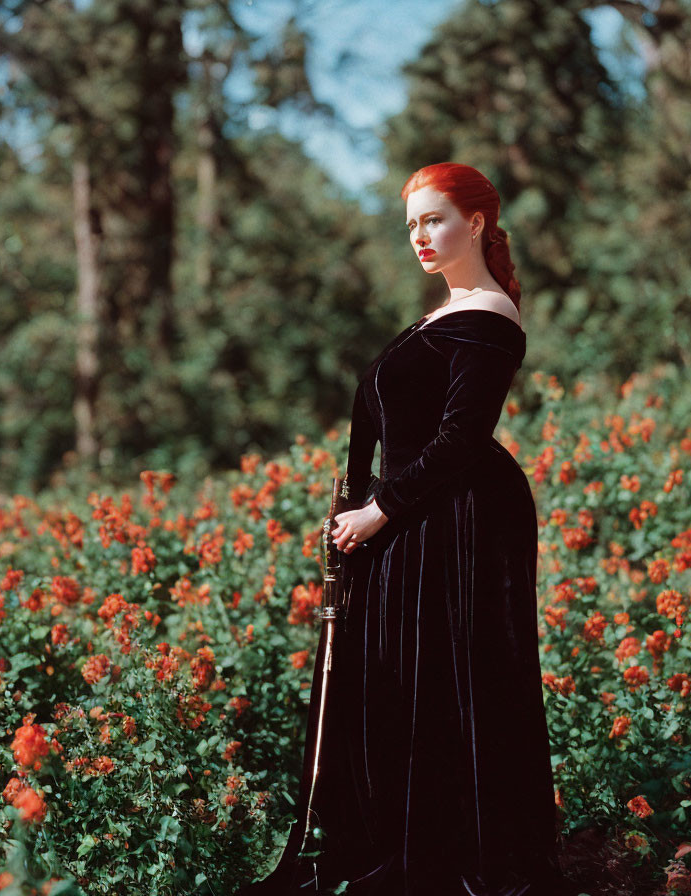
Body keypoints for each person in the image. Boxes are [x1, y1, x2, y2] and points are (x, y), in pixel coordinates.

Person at [235, 163, 570, 895]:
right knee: (396, 679)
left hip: (455, 521)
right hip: (411, 517)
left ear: (476, 223)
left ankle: (455, 850)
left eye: (435, 219)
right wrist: (360, 511)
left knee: (447, 681)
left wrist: (376, 511)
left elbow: (458, 438)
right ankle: (385, 837)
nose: (420, 235)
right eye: (412, 223)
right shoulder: (439, 316)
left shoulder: (489, 314)